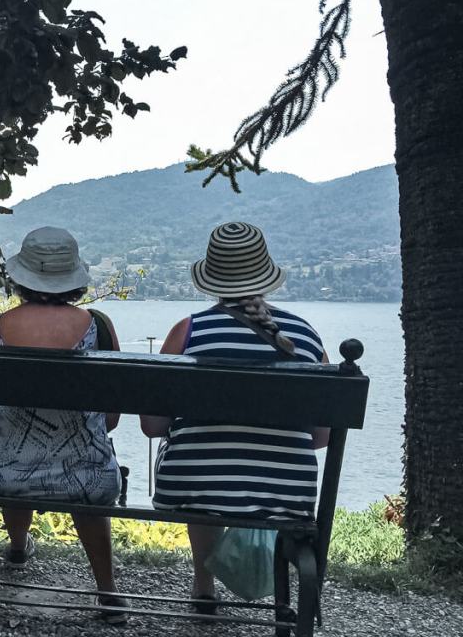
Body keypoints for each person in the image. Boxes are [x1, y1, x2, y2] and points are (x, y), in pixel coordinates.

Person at [139, 221, 329, 614]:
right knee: (250, 469)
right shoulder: (306, 337)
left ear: (213, 280)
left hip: (193, 484)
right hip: (288, 491)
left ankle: (203, 586)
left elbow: (152, 426)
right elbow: (320, 438)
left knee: (201, 466)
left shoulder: (188, 332)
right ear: (266, 277)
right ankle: (279, 595)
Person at [0, 226, 129, 623]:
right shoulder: (98, 326)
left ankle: (18, 546)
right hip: (87, 477)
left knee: (12, 450)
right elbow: (111, 419)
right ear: (73, 277)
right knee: (87, 469)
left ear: (22, 277)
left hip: (4, 475)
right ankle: (107, 590)